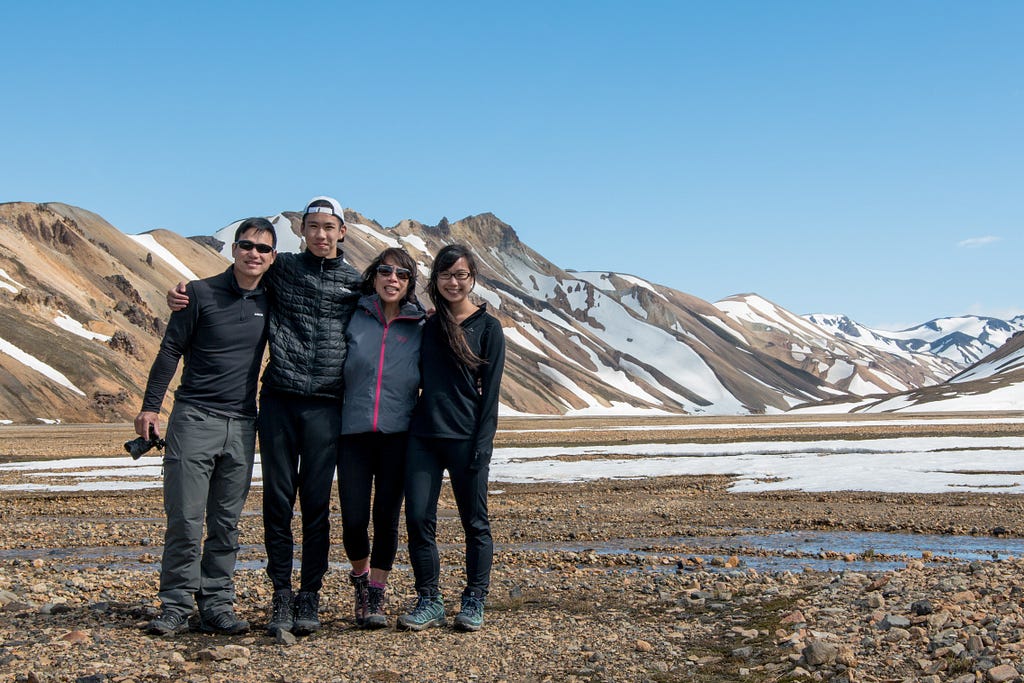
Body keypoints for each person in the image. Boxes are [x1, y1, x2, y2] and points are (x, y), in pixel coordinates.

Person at [169, 196, 362, 636]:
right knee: (277, 504)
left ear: (342, 232)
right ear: (302, 231)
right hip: (278, 401)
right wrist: (182, 292)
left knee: (315, 505)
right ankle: (280, 595)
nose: (321, 234)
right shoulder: (282, 268)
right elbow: (235, 279)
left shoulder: (356, 282)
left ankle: (308, 595)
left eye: (329, 227)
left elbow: (389, 306)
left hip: (326, 406)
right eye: (313, 226)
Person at [139, 217, 277, 637]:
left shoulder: (274, 298)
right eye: (246, 245)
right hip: (194, 417)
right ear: (233, 249)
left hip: (242, 424)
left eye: (263, 249)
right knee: (184, 517)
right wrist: (149, 408)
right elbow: (170, 352)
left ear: (273, 257)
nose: (254, 253)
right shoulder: (197, 294)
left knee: (226, 521)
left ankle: (217, 603)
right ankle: (176, 605)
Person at [398, 244, 506, 632]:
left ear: (472, 277)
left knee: (475, 523)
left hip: (466, 439)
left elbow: (490, 396)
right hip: (423, 437)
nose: (453, 282)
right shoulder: (427, 325)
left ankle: (474, 599)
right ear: (435, 280)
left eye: (461, 274)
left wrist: (483, 445)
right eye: (446, 275)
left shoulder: (488, 328)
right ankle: (429, 598)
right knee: (418, 519)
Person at [338, 247, 425, 629]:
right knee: (354, 520)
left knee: (386, 519)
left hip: (398, 436)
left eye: (402, 275)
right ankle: (359, 576)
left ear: (409, 284)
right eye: (386, 271)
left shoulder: (421, 325)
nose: (393, 279)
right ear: (374, 276)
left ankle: (376, 591)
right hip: (353, 433)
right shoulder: (353, 315)